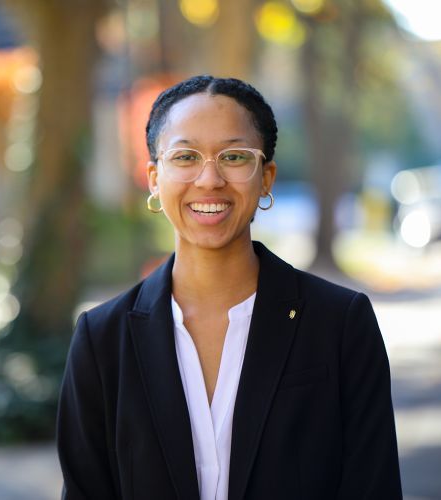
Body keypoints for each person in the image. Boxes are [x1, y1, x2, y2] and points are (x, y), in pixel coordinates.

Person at [56, 75, 402, 499]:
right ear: (153, 178)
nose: (209, 179)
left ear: (266, 177)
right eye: (185, 156)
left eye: (234, 156)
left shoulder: (339, 324)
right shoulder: (102, 340)